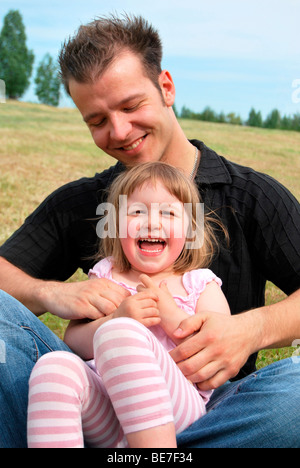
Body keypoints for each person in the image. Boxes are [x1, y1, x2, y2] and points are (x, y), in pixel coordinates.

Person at [0, 13, 299, 448]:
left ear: (166, 88)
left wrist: (252, 330)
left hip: (214, 410)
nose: (118, 131)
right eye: (97, 120)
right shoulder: (83, 202)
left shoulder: (250, 195)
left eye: (130, 105)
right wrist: (52, 295)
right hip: (97, 405)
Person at [27, 162, 231, 448]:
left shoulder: (199, 284)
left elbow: (219, 349)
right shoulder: (105, 275)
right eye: (137, 211)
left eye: (169, 213)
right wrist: (116, 317)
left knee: (120, 332)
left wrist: (171, 317)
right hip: (109, 414)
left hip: (177, 410)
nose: (151, 222)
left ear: (189, 230)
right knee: (55, 367)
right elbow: (73, 340)